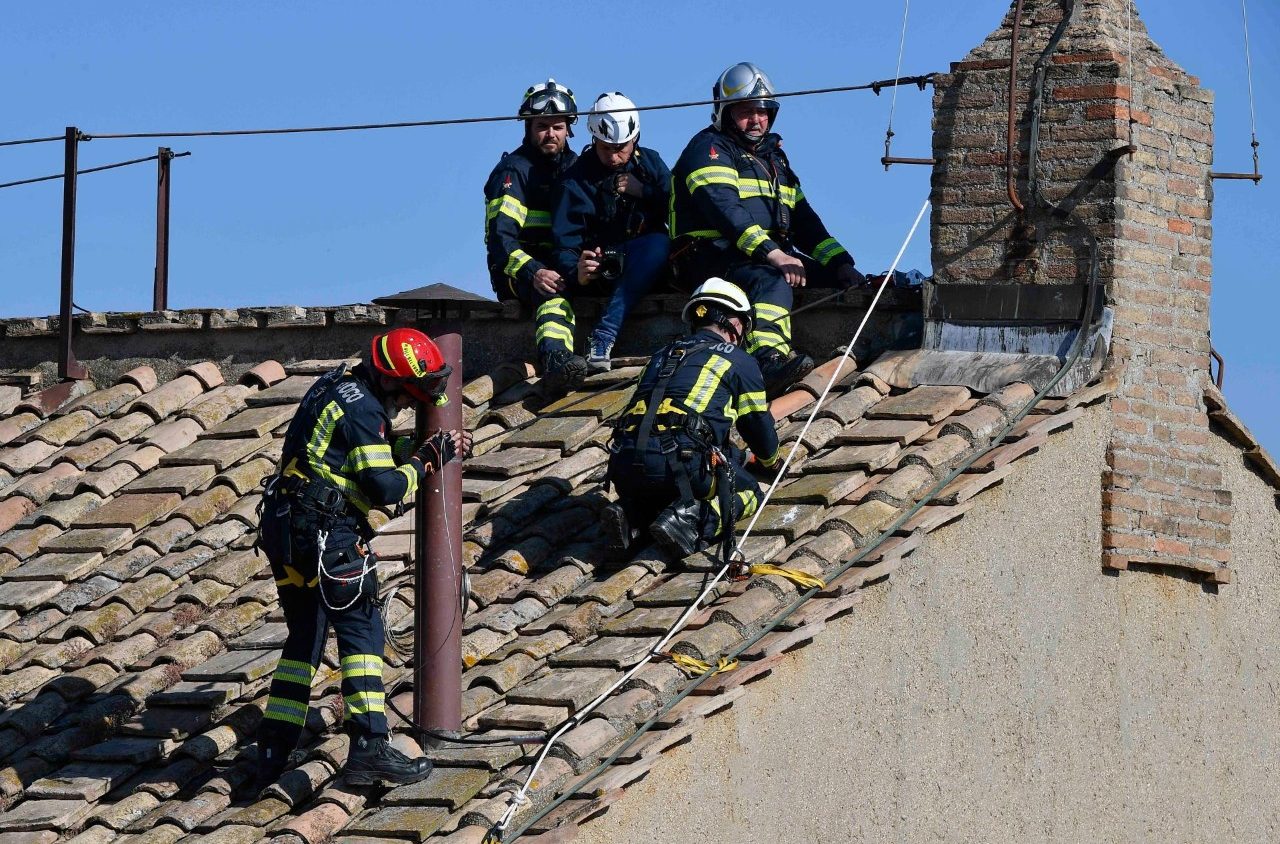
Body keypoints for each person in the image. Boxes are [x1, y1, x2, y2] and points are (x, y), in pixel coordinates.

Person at [254, 328, 472, 791]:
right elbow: (384, 488)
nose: (413, 406)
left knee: (304, 640)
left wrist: (407, 451)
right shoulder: (366, 408)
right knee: (363, 637)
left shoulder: (335, 387)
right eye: (412, 396)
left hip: (286, 532)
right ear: (392, 381)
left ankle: (273, 746)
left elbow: (350, 456)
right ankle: (370, 747)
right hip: (329, 537)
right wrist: (430, 459)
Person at [670, 62, 866, 398]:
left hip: (759, 258)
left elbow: (804, 221)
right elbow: (726, 212)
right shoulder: (708, 150)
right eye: (746, 111)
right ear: (723, 112)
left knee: (833, 280)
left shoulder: (775, 161)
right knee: (772, 280)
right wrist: (773, 254)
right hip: (707, 259)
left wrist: (841, 265)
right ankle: (767, 358)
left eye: (763, 112)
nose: (756, 120)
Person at [603, 279, 782, 560]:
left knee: (660, 486)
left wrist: (738, 456)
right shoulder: (739, 359)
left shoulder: (660, 357)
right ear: (734, 322)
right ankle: (692, 522)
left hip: (624, 465)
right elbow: (756, 424)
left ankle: (631, 514)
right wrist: (771, 461)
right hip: (681, 467)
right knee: (749, 493)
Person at [550, 92, 672, 374]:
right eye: (606, 149)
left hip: (653, 264)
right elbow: (563, 246)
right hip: (602, 275)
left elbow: (681, 206)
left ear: (635, 139)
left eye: (622, 148)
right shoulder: (573, 182)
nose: (615, 156)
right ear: (593, 140)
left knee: (658, 244)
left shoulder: (650, 164)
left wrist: (645, 191)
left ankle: (605, 333)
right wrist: (576, 271)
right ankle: (602, 338)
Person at [483, 78, 584, 392]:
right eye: (542, 126)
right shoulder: (513, 172)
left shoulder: (579, 167)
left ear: (569, 128)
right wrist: (533, 271)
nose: (550, 134)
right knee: (553, 295)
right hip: (517, 271)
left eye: (557, 126)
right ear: (528, 127)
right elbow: (501, 240)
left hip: (563, 263)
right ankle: (555, 360)